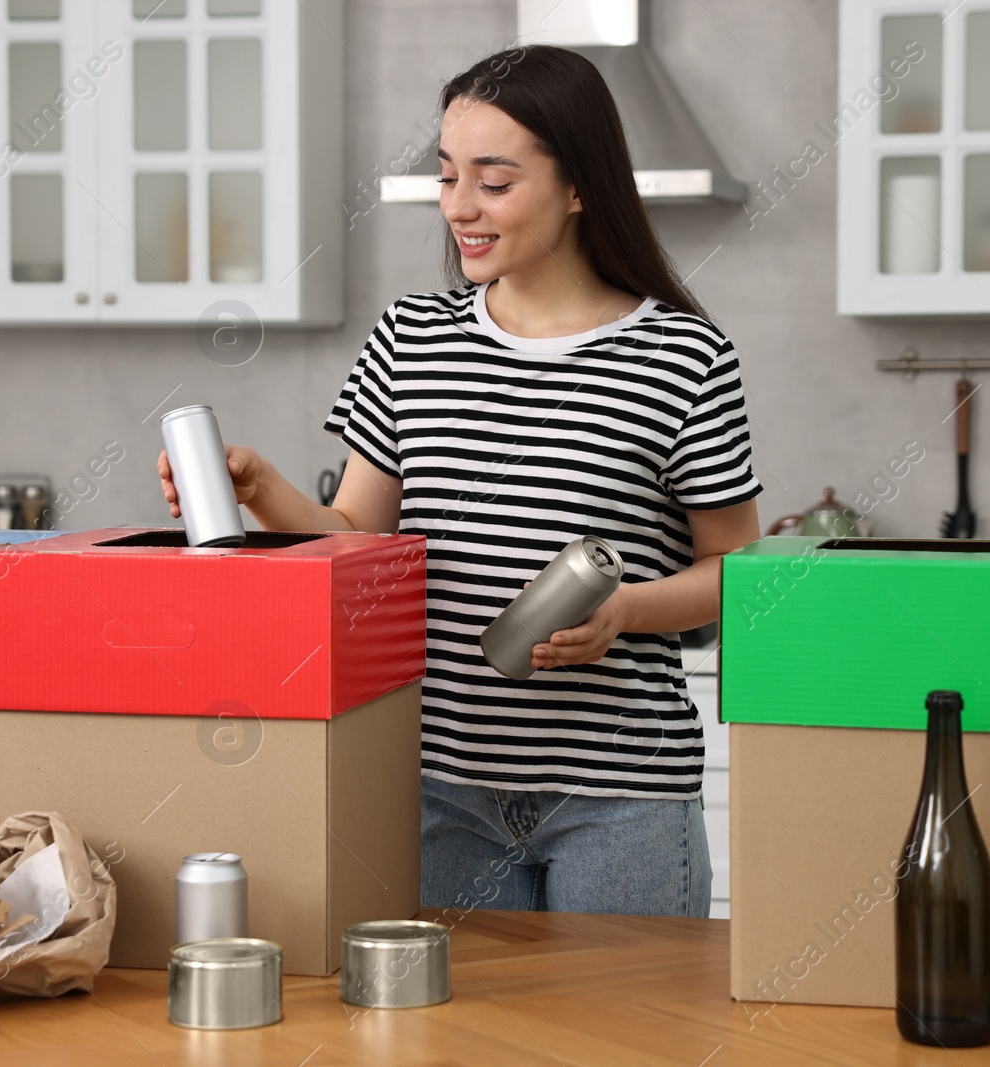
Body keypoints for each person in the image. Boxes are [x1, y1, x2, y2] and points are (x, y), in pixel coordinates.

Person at [158, 44, 761, 918]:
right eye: (447, 177)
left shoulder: (683, 356)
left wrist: (625, 608)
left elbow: (735, 576)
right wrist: (259, 490)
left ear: (580, 184)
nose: (459, 208)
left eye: (494, 181)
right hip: (441, 790)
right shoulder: (412, 337)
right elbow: (359, 541)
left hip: (619, 798)